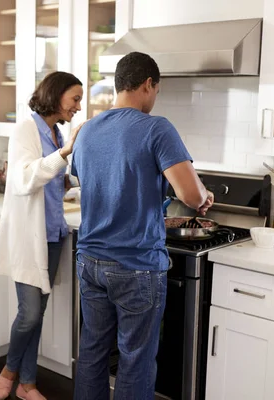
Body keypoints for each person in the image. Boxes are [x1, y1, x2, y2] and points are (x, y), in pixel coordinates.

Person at [71, 52, 214, 400]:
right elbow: (191, 195)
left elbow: (93, 180)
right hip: (135, 266)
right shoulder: (156, 127)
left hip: (90, 261)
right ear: (148, 84)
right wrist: (203, 195)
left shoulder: (87, 130)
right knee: (135, 360)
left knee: (92, 353)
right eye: (157, 90)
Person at [0, 71, 85, 400]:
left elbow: (53, 184)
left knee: (37, 315)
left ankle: (27, 385)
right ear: (57, 94)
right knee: (29, 313)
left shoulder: (55, 132)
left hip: (54, 233)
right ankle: (10, 368)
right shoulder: (25, 129)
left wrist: (76, 186)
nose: (78, 105)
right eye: (75, 98)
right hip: (28, 236)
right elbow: (23, 180)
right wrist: (65, 153)